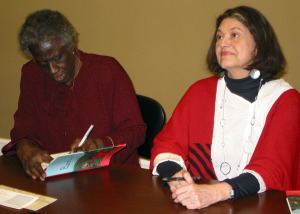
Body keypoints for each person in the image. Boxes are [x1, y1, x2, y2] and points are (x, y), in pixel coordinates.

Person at [150, 6, 300, 209]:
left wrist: (215, 192)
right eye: (219, 37)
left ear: (259, 45)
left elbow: (273, 169)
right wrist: (177, 178)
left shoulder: (285, 99)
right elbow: (167, 144)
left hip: (263, 205)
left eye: (234, 34)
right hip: (202, 203)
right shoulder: (200, 92)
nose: (223, 42)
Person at [2, 9, 146, 181]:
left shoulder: (107, 71)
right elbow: (25, 125)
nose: (52, 70)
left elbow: (136, 131)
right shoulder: (31, 74)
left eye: (57, 59)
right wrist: (25, 148)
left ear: (71, 46)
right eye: (42, 63)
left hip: (111, 180)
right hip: (54, 181)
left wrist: (101, 144)